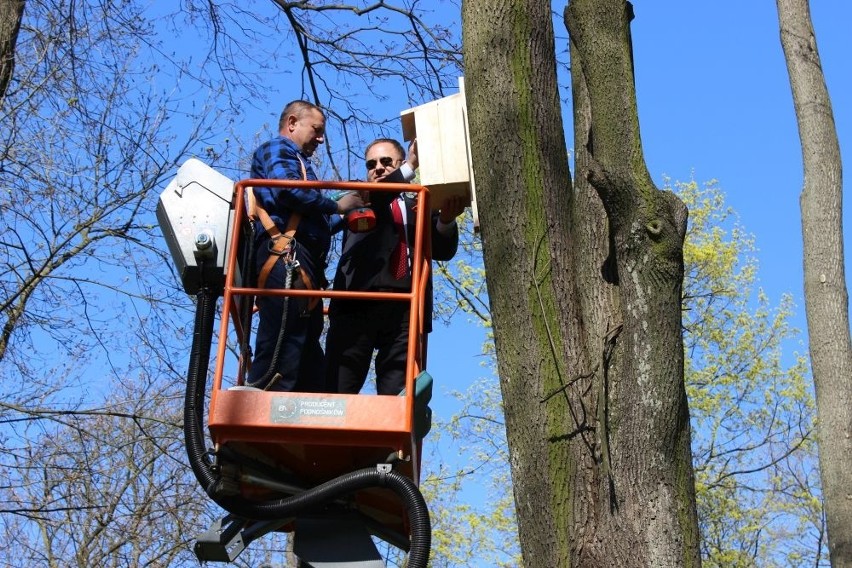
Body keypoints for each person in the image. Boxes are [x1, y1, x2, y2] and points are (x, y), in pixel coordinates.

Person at [325, 137, 465, 395]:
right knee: (337, 392)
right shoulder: (358, 194)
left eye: (386, 162)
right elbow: (378, 195)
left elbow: (443, 250)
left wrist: (445, 219)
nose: (377, 168)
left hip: (404, 309)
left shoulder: (421, 200)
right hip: (355, 303)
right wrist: (412, 164)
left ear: (399, 163)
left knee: (397, 397)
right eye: (371, 164)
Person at [246, 100, 363, 392]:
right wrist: (336, 206)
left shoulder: (299, 163)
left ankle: (310, 402)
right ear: (293, 123)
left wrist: (349, 213)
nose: (321, 139)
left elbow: (316, 220)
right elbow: (289, 191)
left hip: (300, 259)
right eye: (317, 130)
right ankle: (264, 402)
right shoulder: (278, 149)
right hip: (284, 253)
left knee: (305, 337)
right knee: (284, 333)